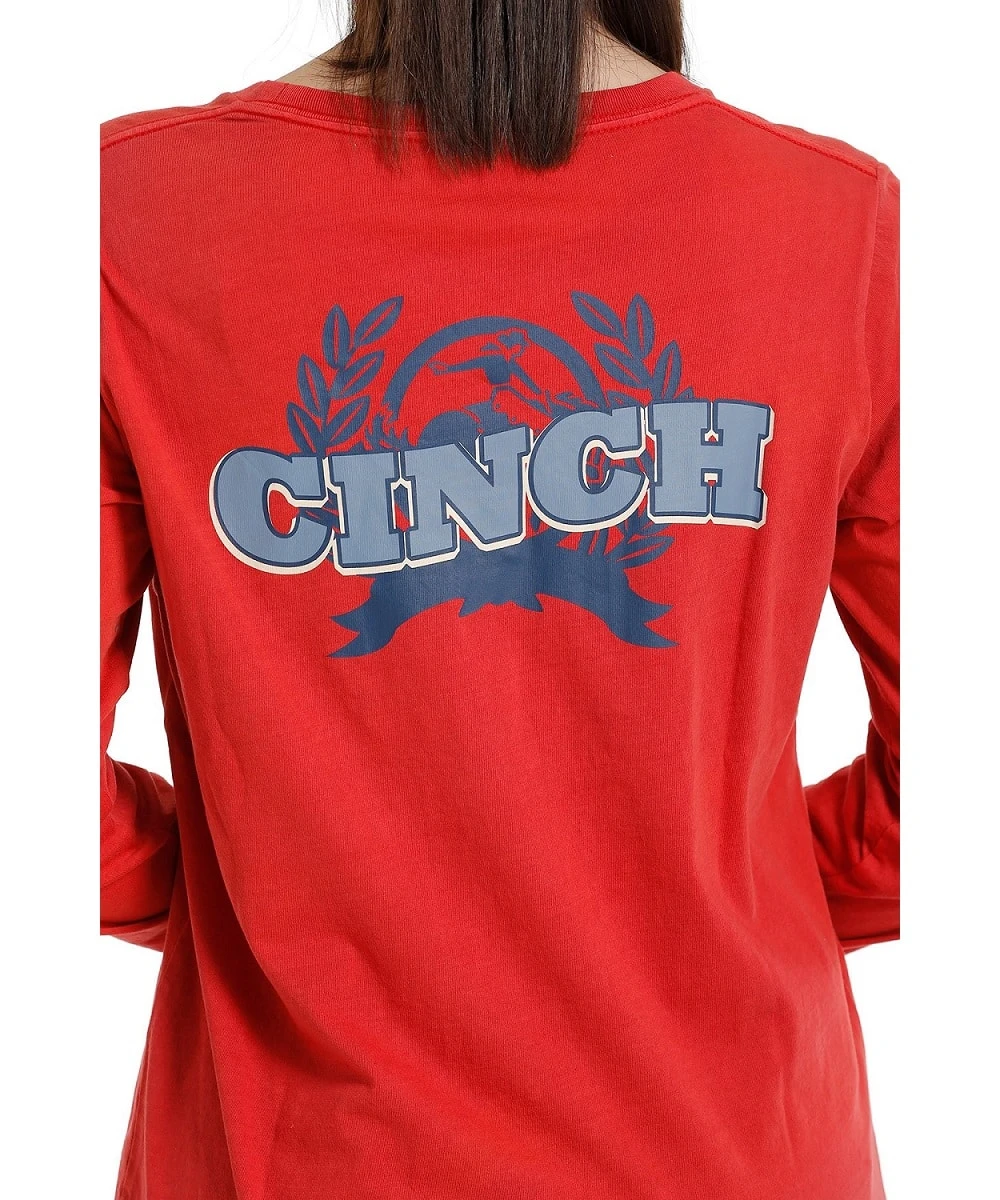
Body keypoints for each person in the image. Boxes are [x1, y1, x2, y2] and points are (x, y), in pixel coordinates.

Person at [100, 2, 899, 1196]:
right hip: (737, 1154)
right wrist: (726, 889)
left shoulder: (123, 218)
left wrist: (250, 886)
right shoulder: (838, 227)